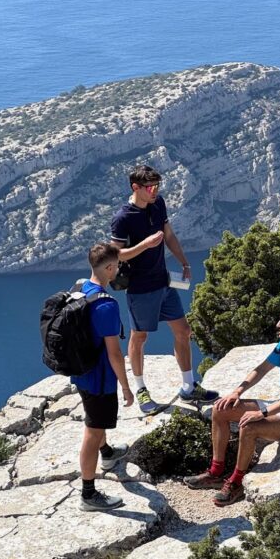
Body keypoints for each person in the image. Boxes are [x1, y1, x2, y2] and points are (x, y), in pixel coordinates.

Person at [186, 302, 280, 506]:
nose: (278, 324)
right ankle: (216, 473)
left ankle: (236, 482)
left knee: (250, 426)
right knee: (221, 409)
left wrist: (262, 413)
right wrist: (237, 391)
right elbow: (261, 369)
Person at [110, 165, 217, 413]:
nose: (155, 190)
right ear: (135, 187)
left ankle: (189, 387)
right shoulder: (123, 217)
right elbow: (116, 255)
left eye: (157, 185)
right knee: (140, 337)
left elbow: (169, 235)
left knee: (183, 330)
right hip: (140, 287)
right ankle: (141, 390)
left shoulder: (159, 204)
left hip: (164, 281)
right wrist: (145, 245)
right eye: (150, 187)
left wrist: (184, 261)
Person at [73, 242, 135, 511]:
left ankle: (107, 454)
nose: (119, 270)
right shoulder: (106, 306)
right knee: (93, 429)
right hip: (99, 378)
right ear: (109, 268)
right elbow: (114, 354)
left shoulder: (79, 289)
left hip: (82, 373)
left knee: (96, 419)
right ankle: (88, 494)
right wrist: (126, 386)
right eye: (118, 265)